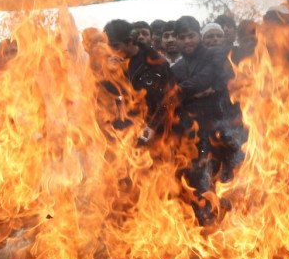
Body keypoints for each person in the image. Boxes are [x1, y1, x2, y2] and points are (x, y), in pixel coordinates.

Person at [171, 15, 238, 224]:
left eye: (191, 36)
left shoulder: (215, 54)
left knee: (228, 176)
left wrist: (182, 91)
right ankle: (207, 225)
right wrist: (188, 94)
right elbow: (168, 99)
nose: (188, 41)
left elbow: (207, 79)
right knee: (200, 179)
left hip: (221, 128)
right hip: (193, 135)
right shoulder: (175, 69)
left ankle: (235, 225)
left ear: (198, 36)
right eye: (182, 37)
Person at [102, 19, 176, 140]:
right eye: (108, 46)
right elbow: (103, 99)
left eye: (115, 45)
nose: (111, 50)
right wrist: (107, 73)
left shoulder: (155, 62)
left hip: (155, 133)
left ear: (130, 41)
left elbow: (170, 98)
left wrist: (154, 126)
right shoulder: (107, 62)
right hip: (122, 135)